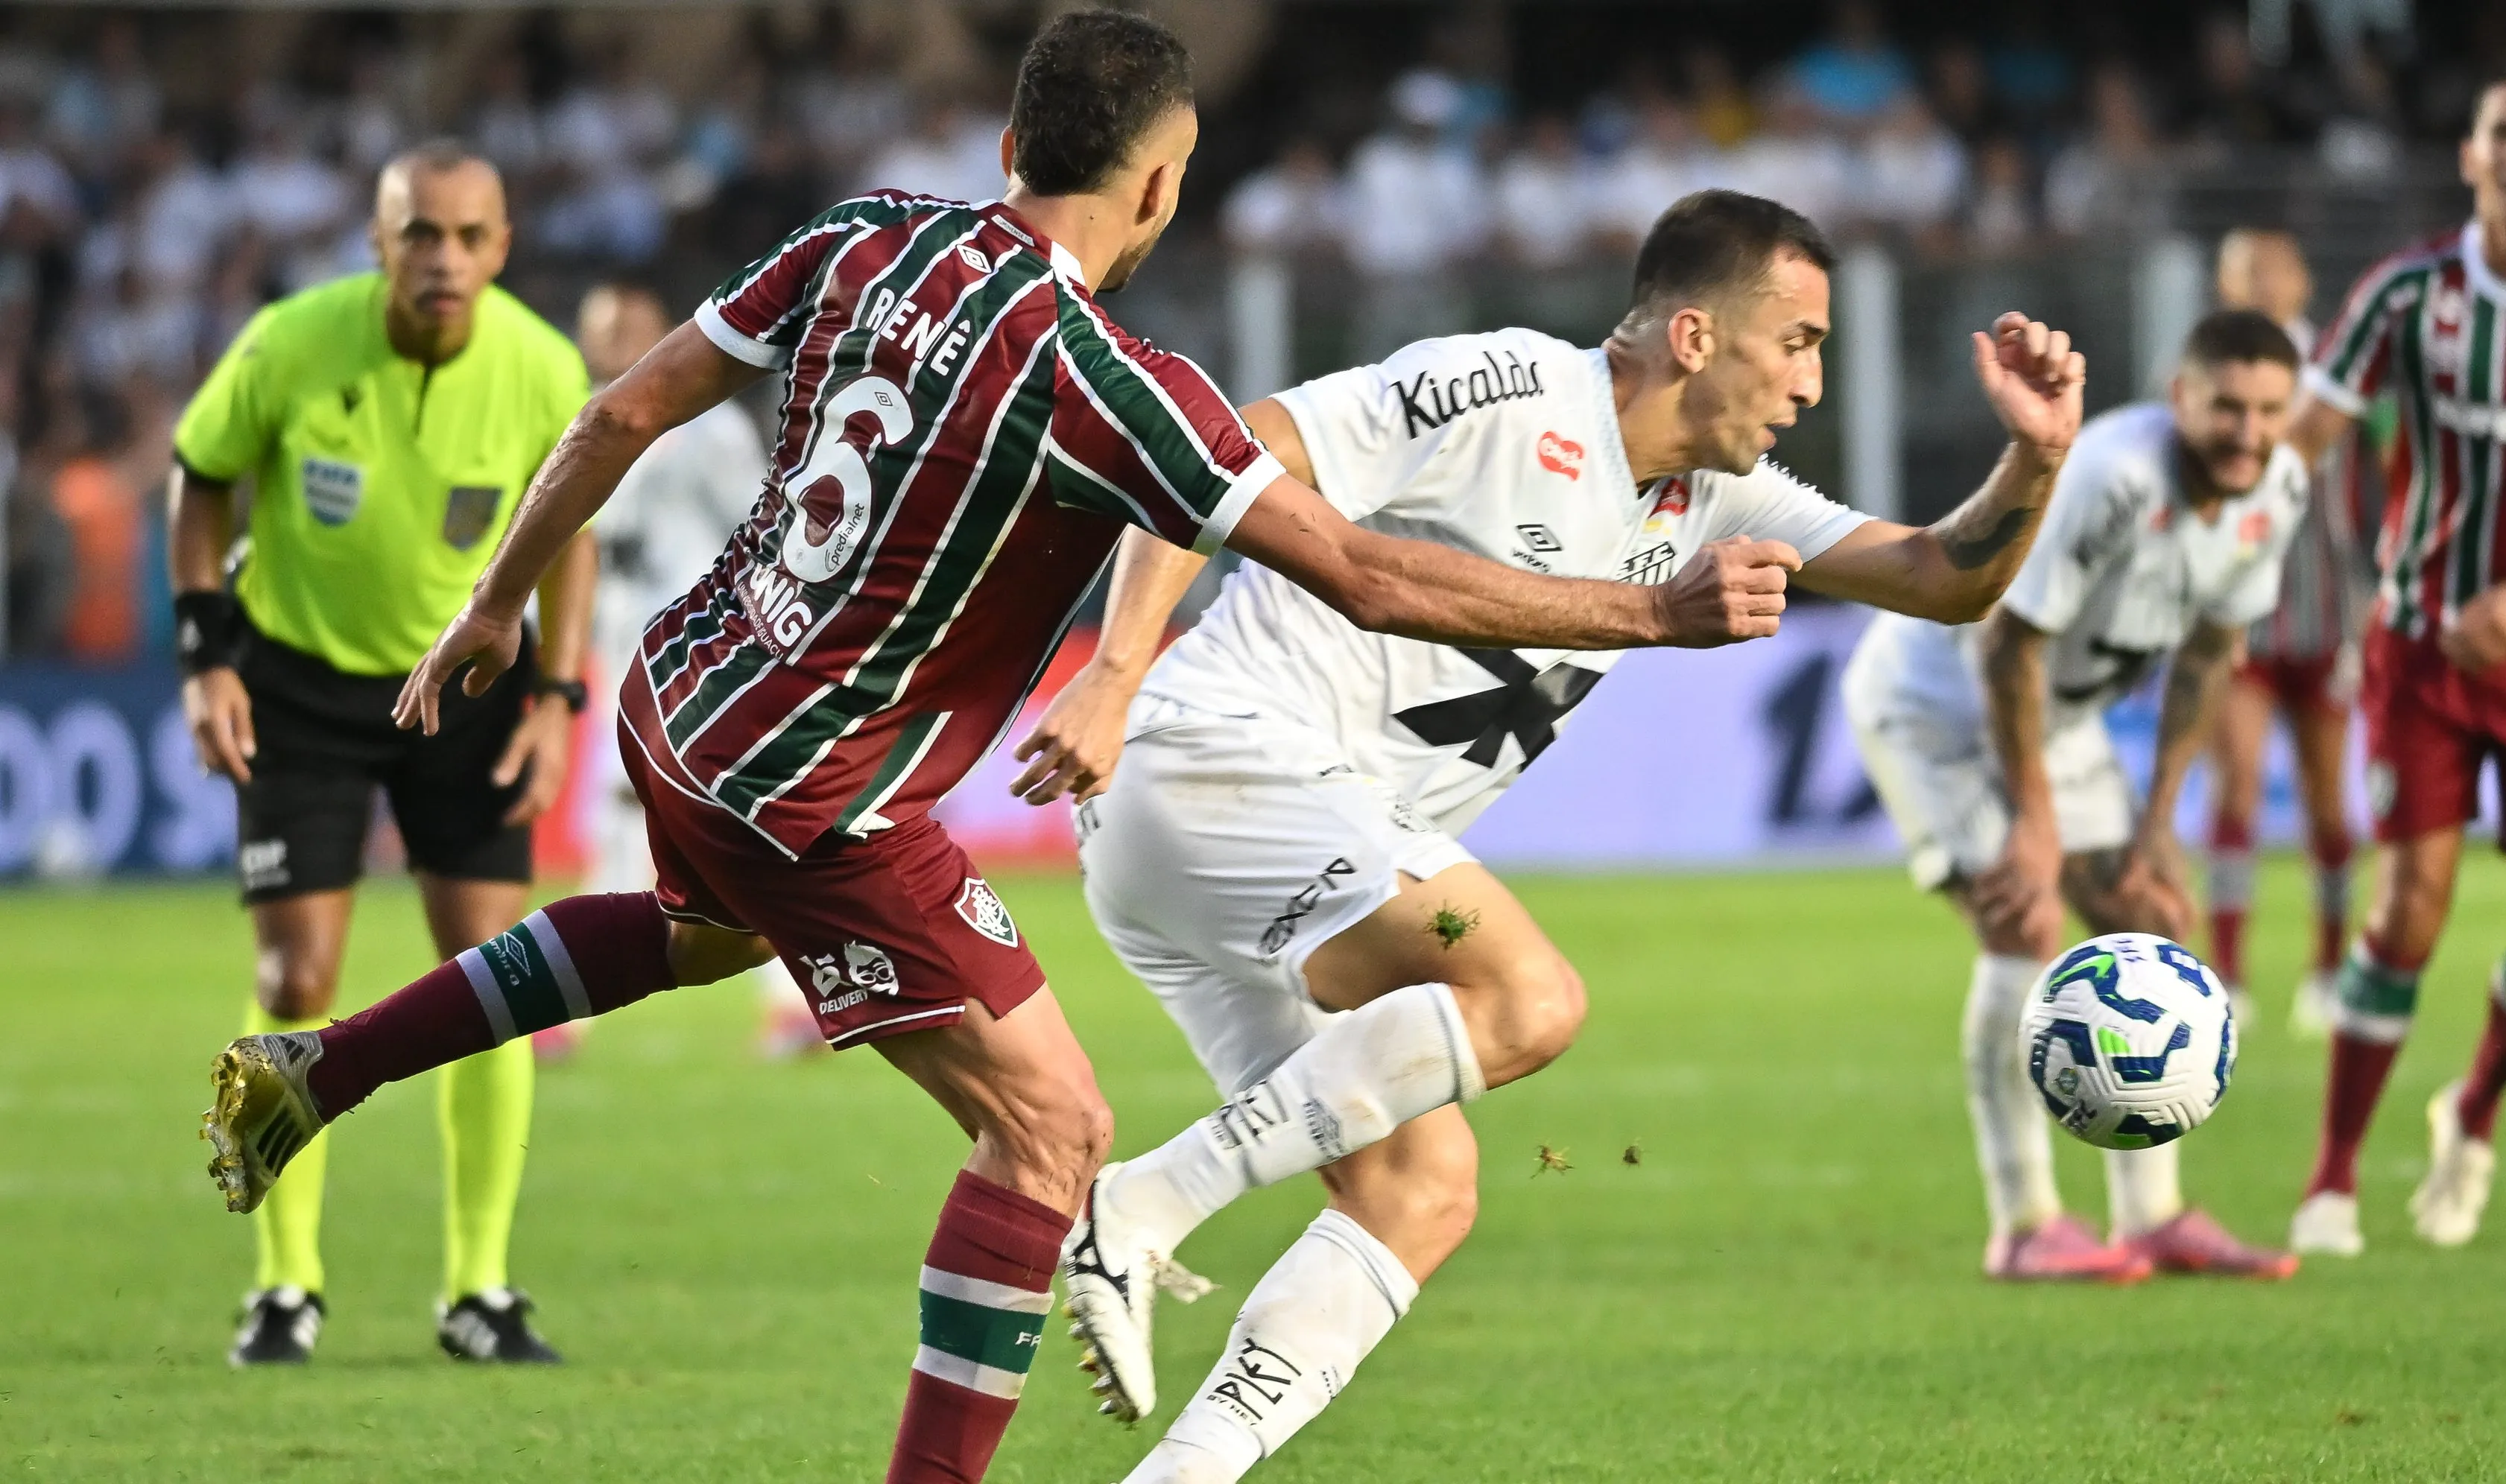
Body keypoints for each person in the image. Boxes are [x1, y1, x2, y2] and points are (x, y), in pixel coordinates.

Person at [198, 15, 1795, 1483]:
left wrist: (493, 603)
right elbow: (1368, 574)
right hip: (818, 786)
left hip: (684, 691)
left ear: (1012, 148)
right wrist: (1648, 618)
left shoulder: (864, 234)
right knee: (1052, 1131)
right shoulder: (1111, 384)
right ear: (1159, 184)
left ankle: (316, 1068)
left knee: (701, 937)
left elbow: (621, 411)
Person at [1026, 190, 2089, 1479]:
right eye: (1798, 340)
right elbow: (1209, 461)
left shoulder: (1719, 498)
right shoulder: (1509, 382)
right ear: (1695, 335)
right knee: (1523, 992)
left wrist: (2033, 462)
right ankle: (1142, 1201)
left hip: (1261, 853)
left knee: (1420, 1191)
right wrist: (1115, 669)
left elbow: (1942, 579)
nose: (1813, 380)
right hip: (1215, 759)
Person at [171, 142, 593, 1366]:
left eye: (469, 237)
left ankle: (480, 1289)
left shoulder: (539, 364)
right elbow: (197, 479)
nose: (444, 259)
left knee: (493, 977)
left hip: (462, 688)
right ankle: (285, 1283)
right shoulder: (289, 344)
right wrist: (205, 661)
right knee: (296, 978)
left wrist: (557, 694)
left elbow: (565, 533)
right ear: (378, 240)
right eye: (421, 234)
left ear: (502, 247)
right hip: (296, 683)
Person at [1844, 310, 2310, 1287]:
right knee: (2022, 918)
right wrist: (2035, 827)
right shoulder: (2112, 475)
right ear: (2179, 398)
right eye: (2224, 405)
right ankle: (2022, 1225)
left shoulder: (2276, 489)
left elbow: (2208, 656)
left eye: (2268, 410)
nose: (2246, 430)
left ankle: (2152, 1217)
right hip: (1936, 699)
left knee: (2146, 912)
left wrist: (2153, 830)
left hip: (2048, 715)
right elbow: (2006, 643)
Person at [2288, 63, 2506, 1257]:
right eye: (2499, 131)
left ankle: (2472, 1102)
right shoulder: (2406, 294)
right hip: (2422, 648)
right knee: (2409, 906)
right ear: (2468, 154)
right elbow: (2304, 435)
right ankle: (2329, 1179)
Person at [559, 280, 817, 1062]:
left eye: (630, 327)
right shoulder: (581, 426)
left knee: (723, 824)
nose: (615, 344)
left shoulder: (706, 428)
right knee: (620, 827)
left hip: (697, 658)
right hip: (619, 650)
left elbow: (761, 523)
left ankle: (794, 1002)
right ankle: (574, 1007)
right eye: (602, 332)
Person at [2198, 228, 2370, 1037]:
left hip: (2328, 615)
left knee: (2328, 803)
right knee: (2234, 786)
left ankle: (2331, 970)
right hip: (2237, 619)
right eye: (2246, 273)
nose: (2263, 285)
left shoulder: (2341, 375)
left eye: (2275, 270)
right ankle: (2227, 974)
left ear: (2302, 282)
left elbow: (2379, 491)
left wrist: (2377, 600)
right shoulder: (2202, 383)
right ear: (2225, 287)